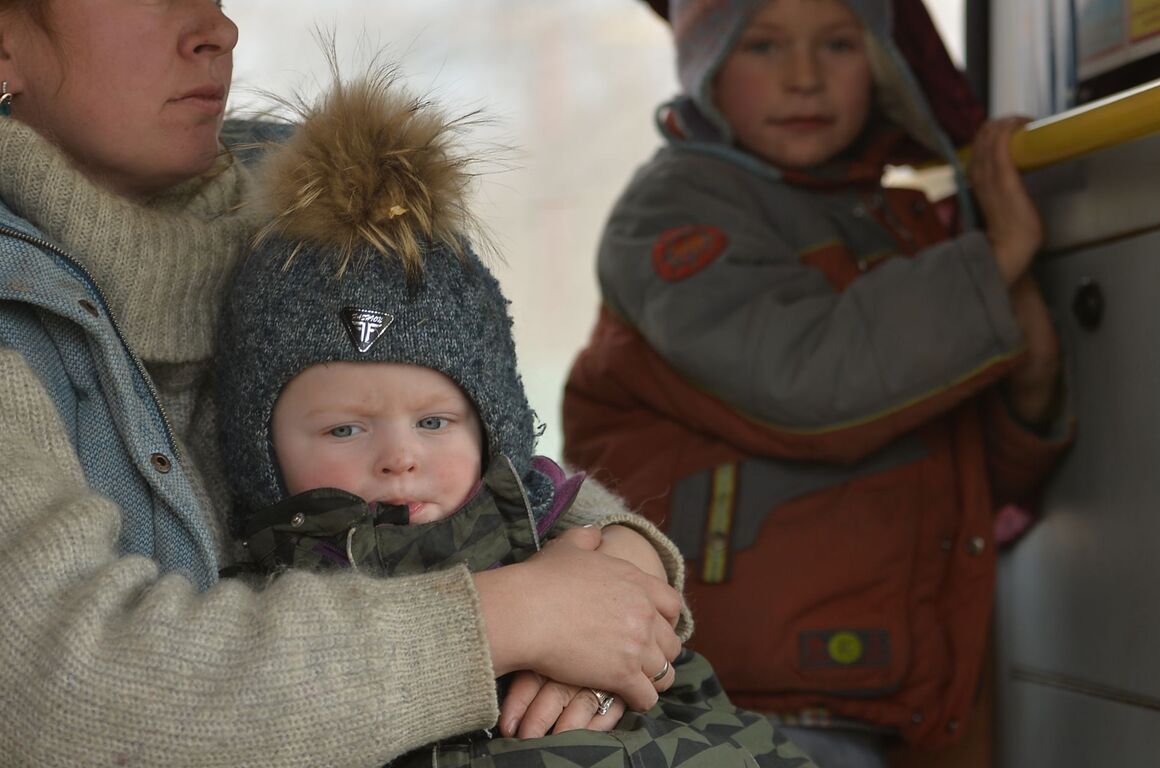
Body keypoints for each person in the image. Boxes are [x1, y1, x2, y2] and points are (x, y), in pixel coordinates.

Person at [0, 1, 689, 765]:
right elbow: (85, 698)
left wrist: (619, 583)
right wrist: (511, 621)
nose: (216, 28)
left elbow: (481, 460)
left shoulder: (295, 239)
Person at [209, 68, 816, 767]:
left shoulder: (547, 527)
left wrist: (630, 559)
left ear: (491, 427)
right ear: (258, 449)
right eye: (345, 429)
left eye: (435, 422)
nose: (400, 457)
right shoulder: (267, 604)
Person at [561, 0, 1074, 764]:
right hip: (730, 695)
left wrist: (1028, 389)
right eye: (763, 46)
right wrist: (993, 261)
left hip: (882, 692)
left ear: (881, 62)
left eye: (838, 43)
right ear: (705, 68)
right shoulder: (673, 210)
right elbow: (806, 379)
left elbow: (946, 459)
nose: (805, 78)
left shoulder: (892, 221)